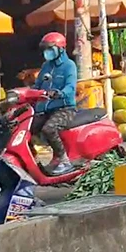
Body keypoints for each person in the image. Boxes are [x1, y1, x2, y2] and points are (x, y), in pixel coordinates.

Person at [33, 33, 78, 175]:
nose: (47, 53)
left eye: (50, 49)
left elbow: (71, 87)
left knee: (49, 129)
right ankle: (33, 160)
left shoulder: (69, 66)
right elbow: (37, 85)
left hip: (65, 108)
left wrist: (60, 93)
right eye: (45, 50)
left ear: (61, 49)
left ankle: (64, 160)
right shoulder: (46, 66)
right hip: (46, 109)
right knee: (28, 128)